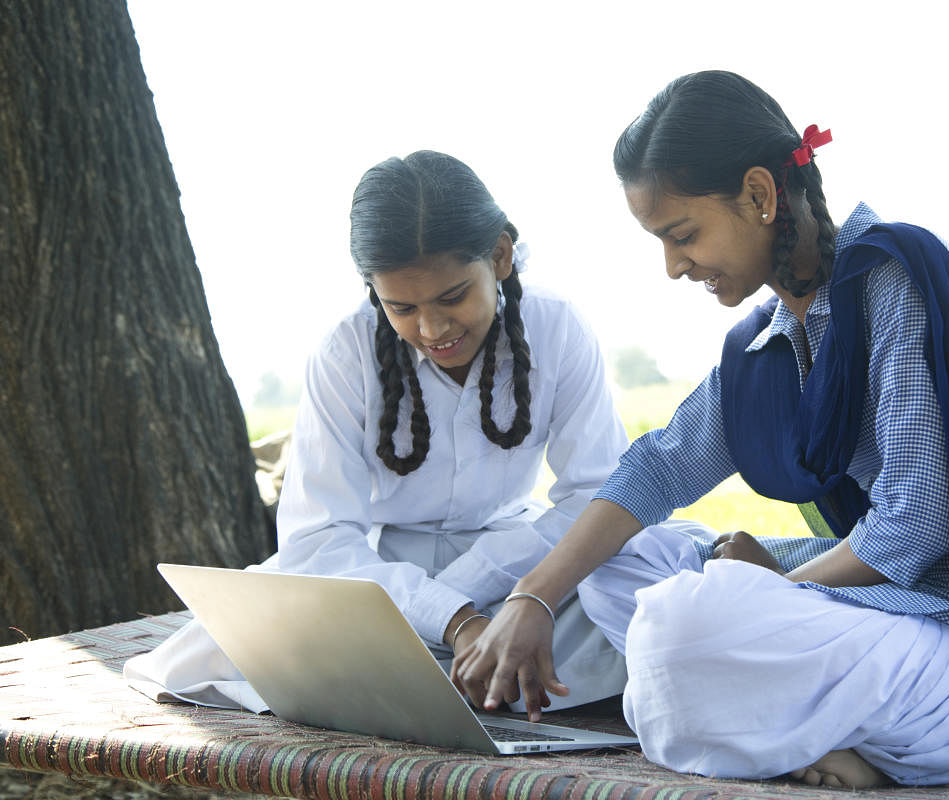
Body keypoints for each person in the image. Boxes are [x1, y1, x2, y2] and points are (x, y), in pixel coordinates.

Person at [451, 71, 949, 788]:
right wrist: (535, 595)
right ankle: (820, 741)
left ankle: (770, 724)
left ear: (760, 195)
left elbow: (914, 527)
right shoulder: (770, 338)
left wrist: (770, 591)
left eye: (682, 235)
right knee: (621, 565)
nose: (674, 266)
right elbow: (657, 470)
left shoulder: (896, 281)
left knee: (683, 624)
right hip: (899, 624)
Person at [125, 150, 699, 713]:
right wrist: (458, 618)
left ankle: (431, 677)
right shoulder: (345, 351)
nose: (432, 328)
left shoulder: (557, 325)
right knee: (244, 634)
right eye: (400, 307)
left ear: (500, 256)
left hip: (516, 564)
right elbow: (320, 541)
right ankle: (457, 670)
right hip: (374, 581)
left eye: (453, 297)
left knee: (654, 583)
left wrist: (506, 593)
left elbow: (594, 498)